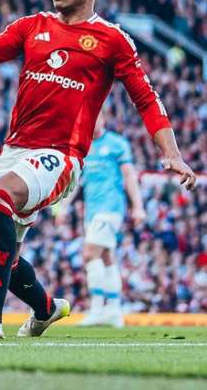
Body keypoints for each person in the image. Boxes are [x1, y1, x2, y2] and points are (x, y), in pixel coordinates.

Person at [0, 0, 196, 340]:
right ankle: (46, 309)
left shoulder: (112, 39)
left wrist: (171, 154)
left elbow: (146, 98)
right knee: (1, 256)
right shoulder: (31, 26)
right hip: (15, 152)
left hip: (60, 156)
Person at [78, 109, 145, 327]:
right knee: (106, 256)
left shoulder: (117, 144)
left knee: (89, 254)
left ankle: (97, 309)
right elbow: (76, 180)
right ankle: (114, 311)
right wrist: (63, 206)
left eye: (96, 116)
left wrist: (138, 206)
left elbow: (129, 176)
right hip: (91, 210)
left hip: (110, 207)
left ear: (104, 118)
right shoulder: (83, 145)